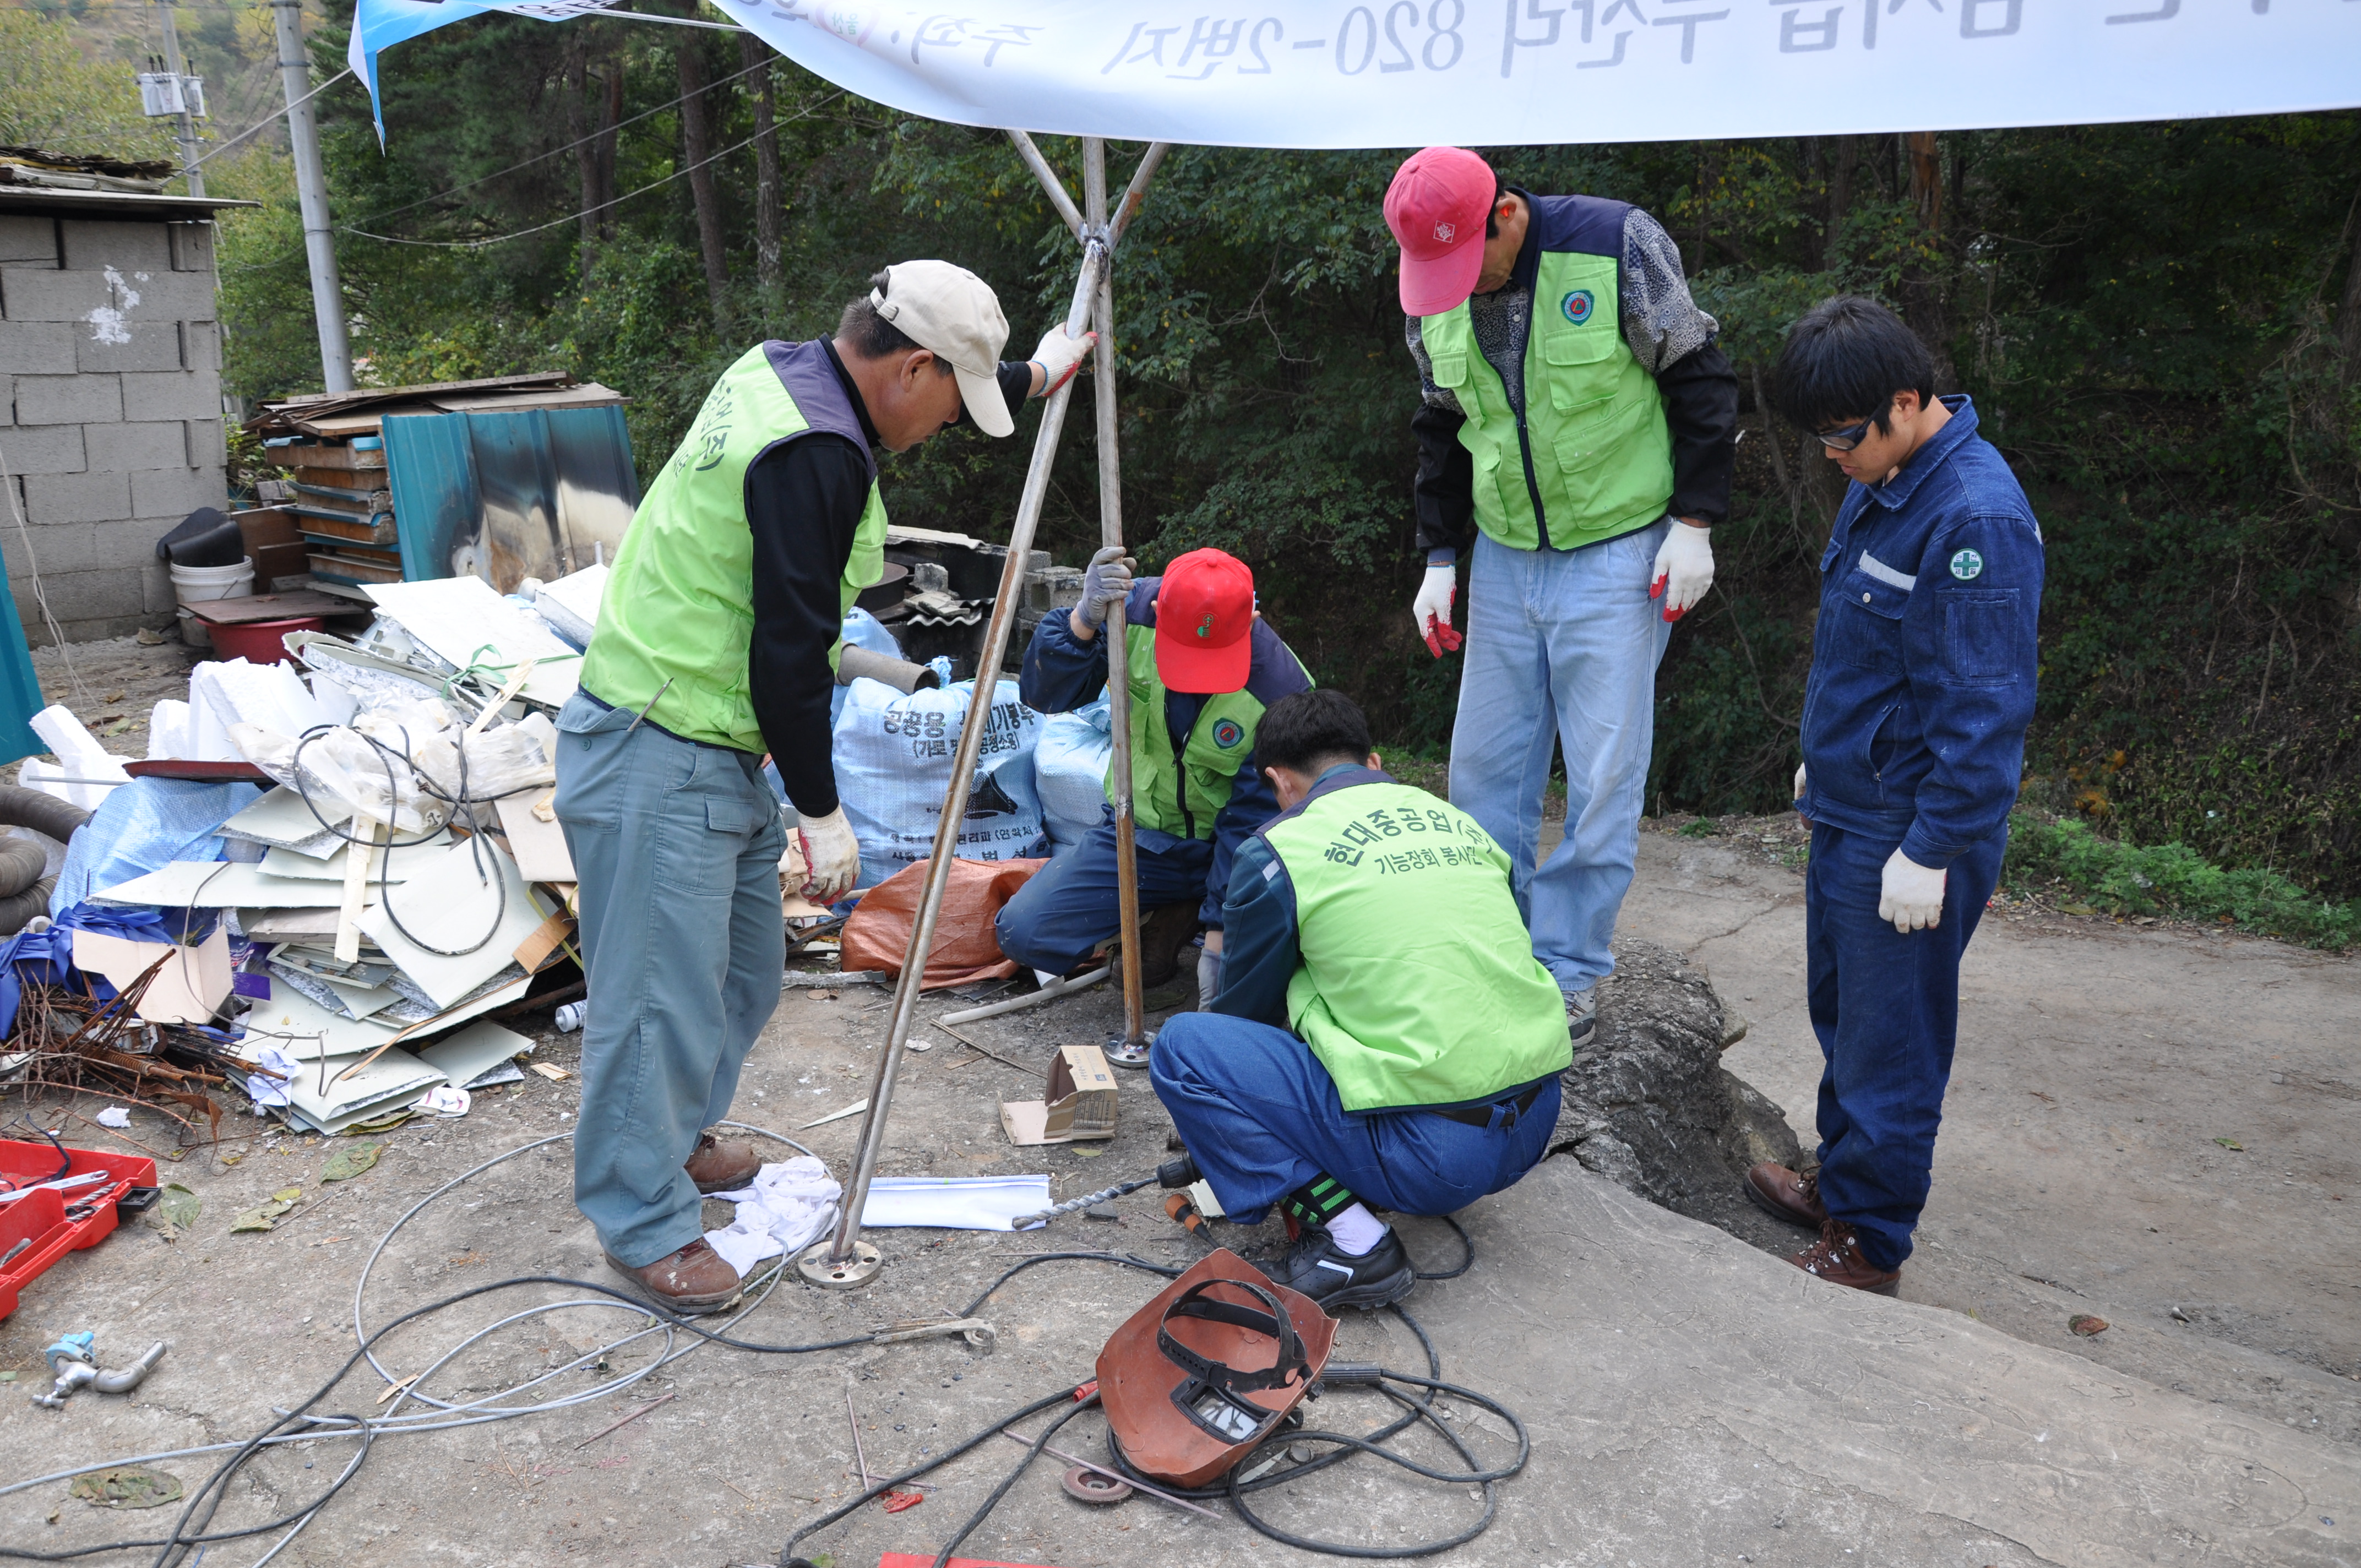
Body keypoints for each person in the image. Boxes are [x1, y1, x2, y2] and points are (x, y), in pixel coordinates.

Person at [557, 260, 1094, 1312]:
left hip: (709, 740)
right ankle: (639, 1216)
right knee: (657, 1001)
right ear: (912, 368)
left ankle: (674, 1137)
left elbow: (951, 375)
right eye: (953, 399)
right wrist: (821, 807)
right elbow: (789, 650)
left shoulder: (793, 372)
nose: (945, 427)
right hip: (659, 741)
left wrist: (1039, 370)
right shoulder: (813, 454)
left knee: (742, 973)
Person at [1384, 146, 1739, 1049]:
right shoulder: (1431, 291)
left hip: (1619, 548)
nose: (1458, 288)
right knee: (1482, 770)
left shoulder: (1614, 244)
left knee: (1603, 773)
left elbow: (1697, 377)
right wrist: (1438, 555)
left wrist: (1694, 520)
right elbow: (1439, 423)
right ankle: (1491, 952)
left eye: (1470, 263)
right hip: (1504, 552)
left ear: (1504, 213)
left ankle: (1568, 971)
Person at [1745, 296, 2043, 1295]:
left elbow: (1982, 707)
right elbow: (1866, 655)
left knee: (1892, 1036)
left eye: (1840, 436)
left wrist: (1936, 845)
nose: (1830, 456)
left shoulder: (1973, 519)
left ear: (1904, 402)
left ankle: (1869, 1242)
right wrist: (1819, 758)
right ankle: (1844, 1180)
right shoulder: (1886, 478)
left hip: (1907, 825)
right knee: (1843, 1012)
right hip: (1850, 799)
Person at [1151, 689, 1572, 1311]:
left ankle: (1354, 1245)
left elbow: (1242, 1020)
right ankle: (1371, 1177)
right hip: (1535, 1120)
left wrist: (1223, 1134)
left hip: (1435, 1158)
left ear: (1279, 782)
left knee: (1185, 1049)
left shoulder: (1279, 852)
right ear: (1373, 763)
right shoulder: (1461, 824)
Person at [994, 546, 1312, 1006]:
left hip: (1233, 855)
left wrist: (1220, 942)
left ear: (1253, 620)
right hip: (1137, 838)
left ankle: (1199, 915)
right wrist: (1083, 620)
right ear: (1161, 612)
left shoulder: (1281, 691)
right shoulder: (1129, 613)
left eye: (1213, 660)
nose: (1198, 679)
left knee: (1273, 972)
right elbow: (1044, 695)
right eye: (1188, 657)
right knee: (1023, 931)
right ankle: (1171, 910)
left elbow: (1251, 826)